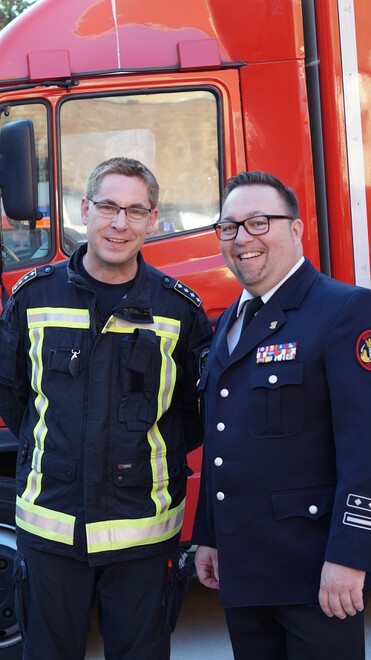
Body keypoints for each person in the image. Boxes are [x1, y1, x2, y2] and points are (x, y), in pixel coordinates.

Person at [0, 156, 212, 660]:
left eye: (136, 211)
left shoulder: (179, 307)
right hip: (51, 526)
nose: (120, 223)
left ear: (153, 220)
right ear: (85, 209)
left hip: (143, 533)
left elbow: (193, 415)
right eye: (109, 207)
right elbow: (13, 398)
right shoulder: (33, 296)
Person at [193, 170, 371, 659]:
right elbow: (223, 434)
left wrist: (350, 557)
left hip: (314, 575)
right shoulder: (233, 316)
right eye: (229, 227)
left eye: (257, 222)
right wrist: (208, 537)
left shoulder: (344, 310)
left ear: (296, 230)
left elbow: (365, 447)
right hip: (244, 570)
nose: (241, 239)